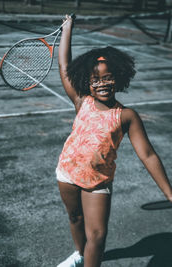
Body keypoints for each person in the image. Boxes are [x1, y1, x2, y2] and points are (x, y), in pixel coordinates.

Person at [56, 15, 172, 267]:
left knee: (97, 234)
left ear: (118, 78)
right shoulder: (81, 101)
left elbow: (148, 155)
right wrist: (67, 30)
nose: (102, 84)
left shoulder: (126, 116)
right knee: (75, 218)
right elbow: (64, 66)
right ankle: (79, 255)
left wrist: (170, 194)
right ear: (87, 82)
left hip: (97, 180)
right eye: (96, 80)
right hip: (67, 171)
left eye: (108, 78)